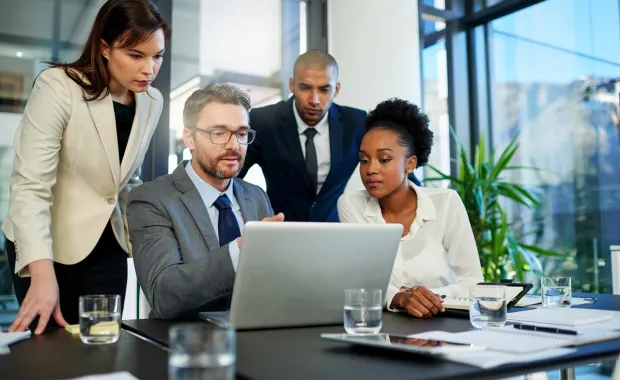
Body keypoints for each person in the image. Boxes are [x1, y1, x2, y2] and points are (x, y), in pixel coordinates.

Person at [3, 0, 170, 334]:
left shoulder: (152, 101)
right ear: (105, 48)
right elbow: (30, 186)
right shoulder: (58, 87)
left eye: (158, 56)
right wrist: (41, 271)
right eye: (136, 55)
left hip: (107, 245)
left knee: (101, 348)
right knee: (47, 355)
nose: (149, 69)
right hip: (46, 243)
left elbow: (123, 177)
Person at [127, 84, 283, 319]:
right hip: (185, 345)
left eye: (241, 133)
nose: (234, 145)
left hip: (256, 340)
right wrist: (239, 251)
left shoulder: (257, 195)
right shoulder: (151, 199)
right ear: (189, 138)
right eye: (218, 133)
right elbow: (164, 295)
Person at [337, 98, 483, 319]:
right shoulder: (351, 205)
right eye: (364, 160)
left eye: (384, 159)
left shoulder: (446, 203)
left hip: (446, 323)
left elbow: (473, 283)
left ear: (410, 164)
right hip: (384, 326)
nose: (371, 170)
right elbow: (361, 281)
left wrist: (426, 297)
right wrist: (399, 299)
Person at [238, 50, 367, 222]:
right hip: (280, 232)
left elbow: (396, 175)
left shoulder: (357, 123)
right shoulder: (263, 121)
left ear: (336, 89)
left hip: (333, 235)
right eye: (305, 87)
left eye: (324, 89)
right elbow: (232, 177)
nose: (314, 99)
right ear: (292, 85)